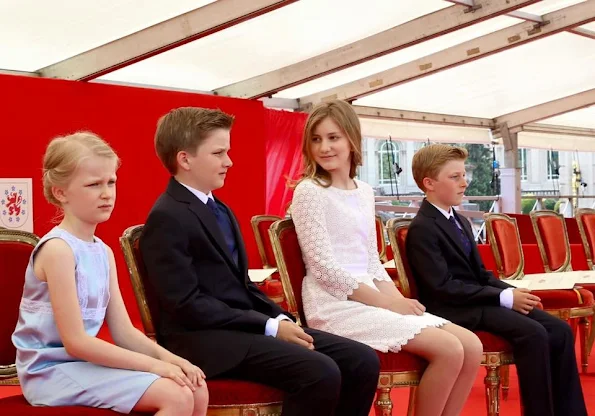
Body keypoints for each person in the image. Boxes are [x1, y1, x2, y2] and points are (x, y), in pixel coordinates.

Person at [139, 107, 380, 416]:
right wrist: (268, 326)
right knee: (320, 371)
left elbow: (240, 286)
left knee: (361, 360)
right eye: (219, 153)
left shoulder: (220, 208)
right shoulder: (167, 216)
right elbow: (187, 304)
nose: (229, 161)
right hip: (203, 341)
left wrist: (280, 319)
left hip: (239, 330)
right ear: (185, 159)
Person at [290, 100, 483, 416]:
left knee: (471, 346)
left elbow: (370, 261)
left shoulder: (364, 191)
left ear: (352, 139)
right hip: (332, 304)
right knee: (448, 349)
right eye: (316, 139)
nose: (324, 147)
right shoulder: (309, 191)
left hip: (370, 296)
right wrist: (390, 304)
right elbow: (324, 269)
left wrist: (400, 303)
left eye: (333, 137)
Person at [12, 132, 208, 415]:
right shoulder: (58, 251)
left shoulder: (102, 251)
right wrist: (155, 366)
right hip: (50, 372)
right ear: (61, 192)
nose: (107, 193)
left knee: (195, 387)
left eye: (111, 182)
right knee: (175, 396)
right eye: (94, 184)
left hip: (83, 365)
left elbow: (124, 332)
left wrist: (174, 361)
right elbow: (76, 342)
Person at [406, 143, 587, 416]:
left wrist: (513, 292)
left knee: (559, 330)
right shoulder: (422, 228)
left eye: (464, 175)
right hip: (453, 309)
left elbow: (481, 275)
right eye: (455, 177)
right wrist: (503, 298)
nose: (465, 182)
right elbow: (442, 287)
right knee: (534, 333)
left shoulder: (459, 220)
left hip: (476, 301)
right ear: (428, 183)